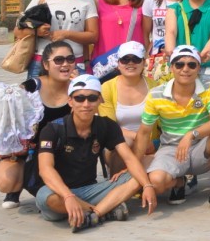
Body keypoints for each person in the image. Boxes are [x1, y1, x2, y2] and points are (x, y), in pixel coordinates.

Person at [35, 75, 157, 231]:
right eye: (79, 98)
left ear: (100, 100)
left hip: (91, 190)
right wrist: (68, 196)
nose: (86, 104)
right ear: (70, 101)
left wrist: (147, 185)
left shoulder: (106, 125)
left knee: (137, 177)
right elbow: (45, 169)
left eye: (92, 98)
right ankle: (105, 210)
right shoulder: (53, 129)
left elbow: (129, 159)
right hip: (59, 193)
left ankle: (94, 214)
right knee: (45, 196)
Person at [135, 45, 210, 212]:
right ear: (171, 67)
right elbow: (144, 133)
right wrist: (134, 164)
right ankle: (179, 182)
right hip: (172, 149)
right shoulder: (156, 94)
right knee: (156, 182)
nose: (185, 69)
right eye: (179, 64)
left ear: (199, 68)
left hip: (201, 146)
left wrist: (191, 135)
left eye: (191, 65)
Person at [0, 41, 76, 209]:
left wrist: (79, 88)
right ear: (46, 65)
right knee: (5, 182)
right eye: (59, 60)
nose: (65, 64)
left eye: (70, 59)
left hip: (62, 149)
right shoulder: (32, 87)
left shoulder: (78, 88)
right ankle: (17, 186)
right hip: (29, 149)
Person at [22, 0, 100, 77]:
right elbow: (18, 31)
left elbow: (93, 36)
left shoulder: (87, 1)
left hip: (74, 63)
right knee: (38, 91)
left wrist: (66, 34)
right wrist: (37, 31)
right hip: (42, 63)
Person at [98, 41, 153, 173]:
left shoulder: (155, 87)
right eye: (125, 59)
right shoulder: (106, 87)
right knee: (125, 143)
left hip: (151, 144)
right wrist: (138, 137)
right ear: (118, 63)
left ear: (144, 62)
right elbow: (109, 126)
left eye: (136, 59)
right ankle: (118, 182)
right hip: (119, 142)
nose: (130, 63)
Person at [90, 0, 145, 76]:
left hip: (132, 64)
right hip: (104, 66)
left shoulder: (143, 4)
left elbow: (146, 37)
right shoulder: (97, 2)